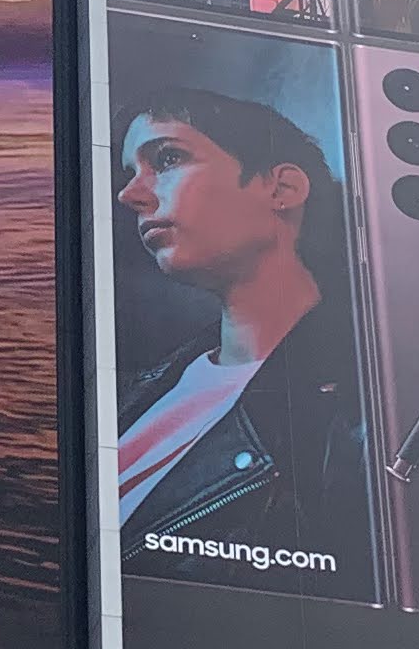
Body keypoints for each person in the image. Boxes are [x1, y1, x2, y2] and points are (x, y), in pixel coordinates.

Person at [111, 85, 374, 590]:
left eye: (167, 158)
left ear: (283, 189)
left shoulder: (359, 420)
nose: (130, 194)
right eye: (130, 173)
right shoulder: (132, 391)